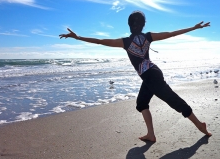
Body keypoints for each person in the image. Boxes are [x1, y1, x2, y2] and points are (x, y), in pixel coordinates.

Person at [59, 11, 212, 142]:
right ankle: (151, 134)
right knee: (141, 103)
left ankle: (200, 124)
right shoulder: (148, 37)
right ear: (143, 25)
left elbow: (100, 41)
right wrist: (194, 27)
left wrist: (78, 37)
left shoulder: (125, 42)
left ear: (129, 24)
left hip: (151, 76)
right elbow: (171, 34)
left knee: (173, 101)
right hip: (152, 74)